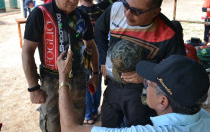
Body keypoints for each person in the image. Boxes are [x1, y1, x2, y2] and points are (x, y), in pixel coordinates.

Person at [94, 0, 186, 127]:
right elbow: (99, 30)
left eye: (136, 11)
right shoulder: (115, 10)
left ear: (155, 12)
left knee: (138, 127)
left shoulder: (168, 33)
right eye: (126, 5)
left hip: (143, 93)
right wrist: (103, 59)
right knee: (108, 126)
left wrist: (148, 75)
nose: (128, 14)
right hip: (113, 87)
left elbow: (176, 70)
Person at [21, 0, 99, 132]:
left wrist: (95, 73)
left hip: (78, 78)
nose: (73, 0)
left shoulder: (82, 16)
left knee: (76, 123)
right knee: (52, 124)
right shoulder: (40, 14)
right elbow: (27, 52)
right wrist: (34, 88)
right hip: (51, 80)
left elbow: (90, 46)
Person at [57, 51, 210, 132]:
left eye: (148, 83)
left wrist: (63, 78)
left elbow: (70, 129)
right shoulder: (205, 119)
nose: (145, 85)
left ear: (163, 101)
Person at [79, 0, 123, 124]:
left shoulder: (76, 12)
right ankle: (92, 112)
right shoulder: (101, 7)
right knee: (95, 79)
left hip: (83, 52)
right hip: (101, 51)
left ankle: (88, 114)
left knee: (85, 80)